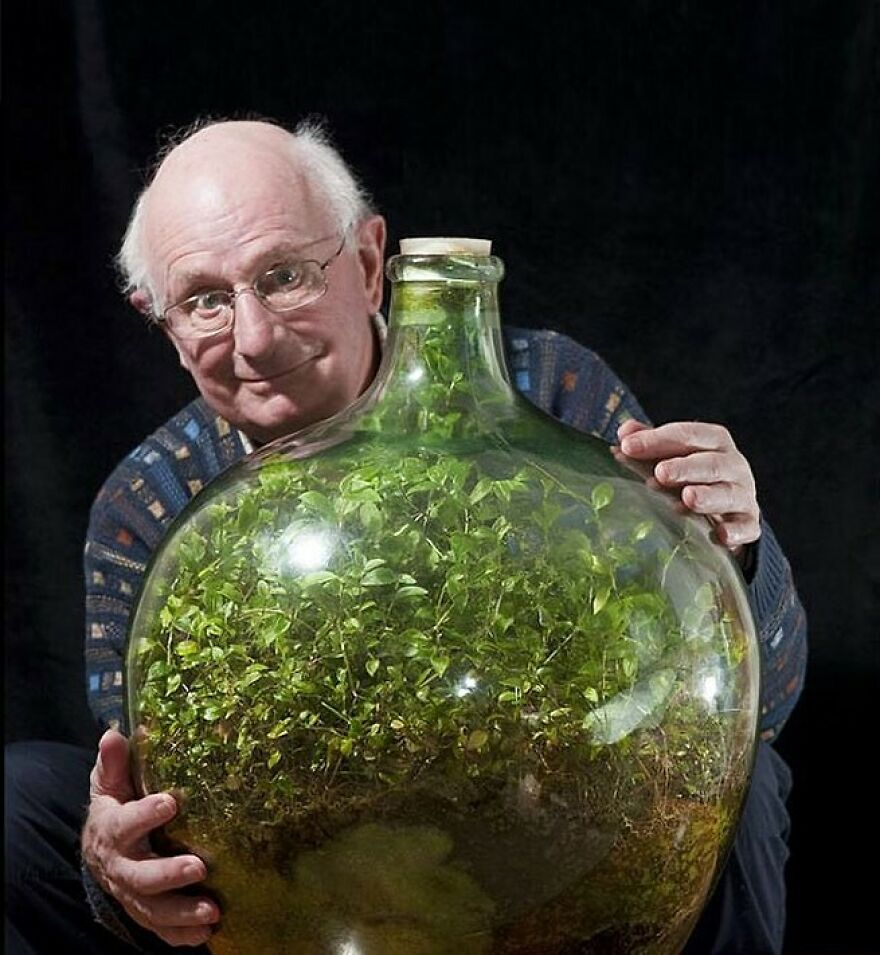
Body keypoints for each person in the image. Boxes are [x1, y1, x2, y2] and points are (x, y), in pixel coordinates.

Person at [5, 118, 806, 954]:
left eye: (284, 276)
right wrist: (112, 857)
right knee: (23, 804)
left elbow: (765, 704)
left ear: (366, 262)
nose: (255, 337)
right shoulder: (153, 498)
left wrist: (733, 552)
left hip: (539, 827)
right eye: (205, 298)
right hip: (298, 883)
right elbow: (156, 784)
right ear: (158, 318)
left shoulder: (554, 395)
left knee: (732, 780)